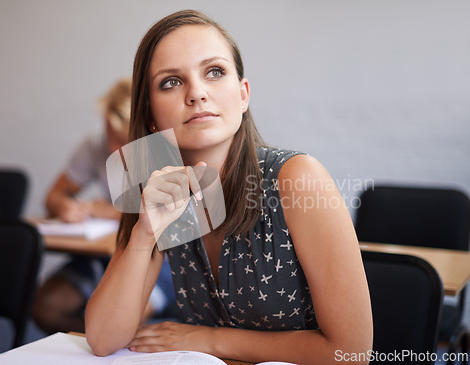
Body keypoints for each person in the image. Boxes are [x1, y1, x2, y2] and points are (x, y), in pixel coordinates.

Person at [85, 10, 373, 364]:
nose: (197, 93)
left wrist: (210, 339)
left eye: (215, 72)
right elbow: (102, 338)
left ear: (243, 95)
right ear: (149, 116)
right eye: (171, 82)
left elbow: (352, 352)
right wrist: (144, 234)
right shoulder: (158, 185)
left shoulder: (297, 178)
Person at [33, 78, 175, 334]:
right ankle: (100, 342)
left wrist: (107, 211)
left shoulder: (168, 151)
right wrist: (65, 206)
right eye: (109, 135)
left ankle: (110, 339)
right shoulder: (94, 145)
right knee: (44, 307)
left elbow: (176, 216)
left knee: (124, 316)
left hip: (163, 261)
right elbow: (53, 196)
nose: (112, 148)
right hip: (102, 255)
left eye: (122, 140)